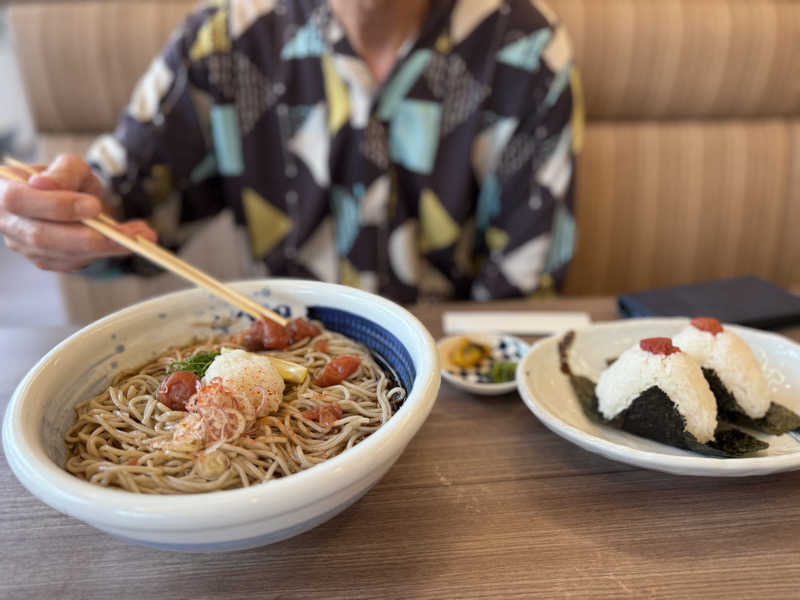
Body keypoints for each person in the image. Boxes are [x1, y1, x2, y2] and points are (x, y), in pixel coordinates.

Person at [0, 0, 581, 304]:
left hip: (451, 378)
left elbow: (525, 293)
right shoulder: (226, 40)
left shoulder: (525, 48)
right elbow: (123, 208)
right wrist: (67, 214)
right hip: (286, 364)